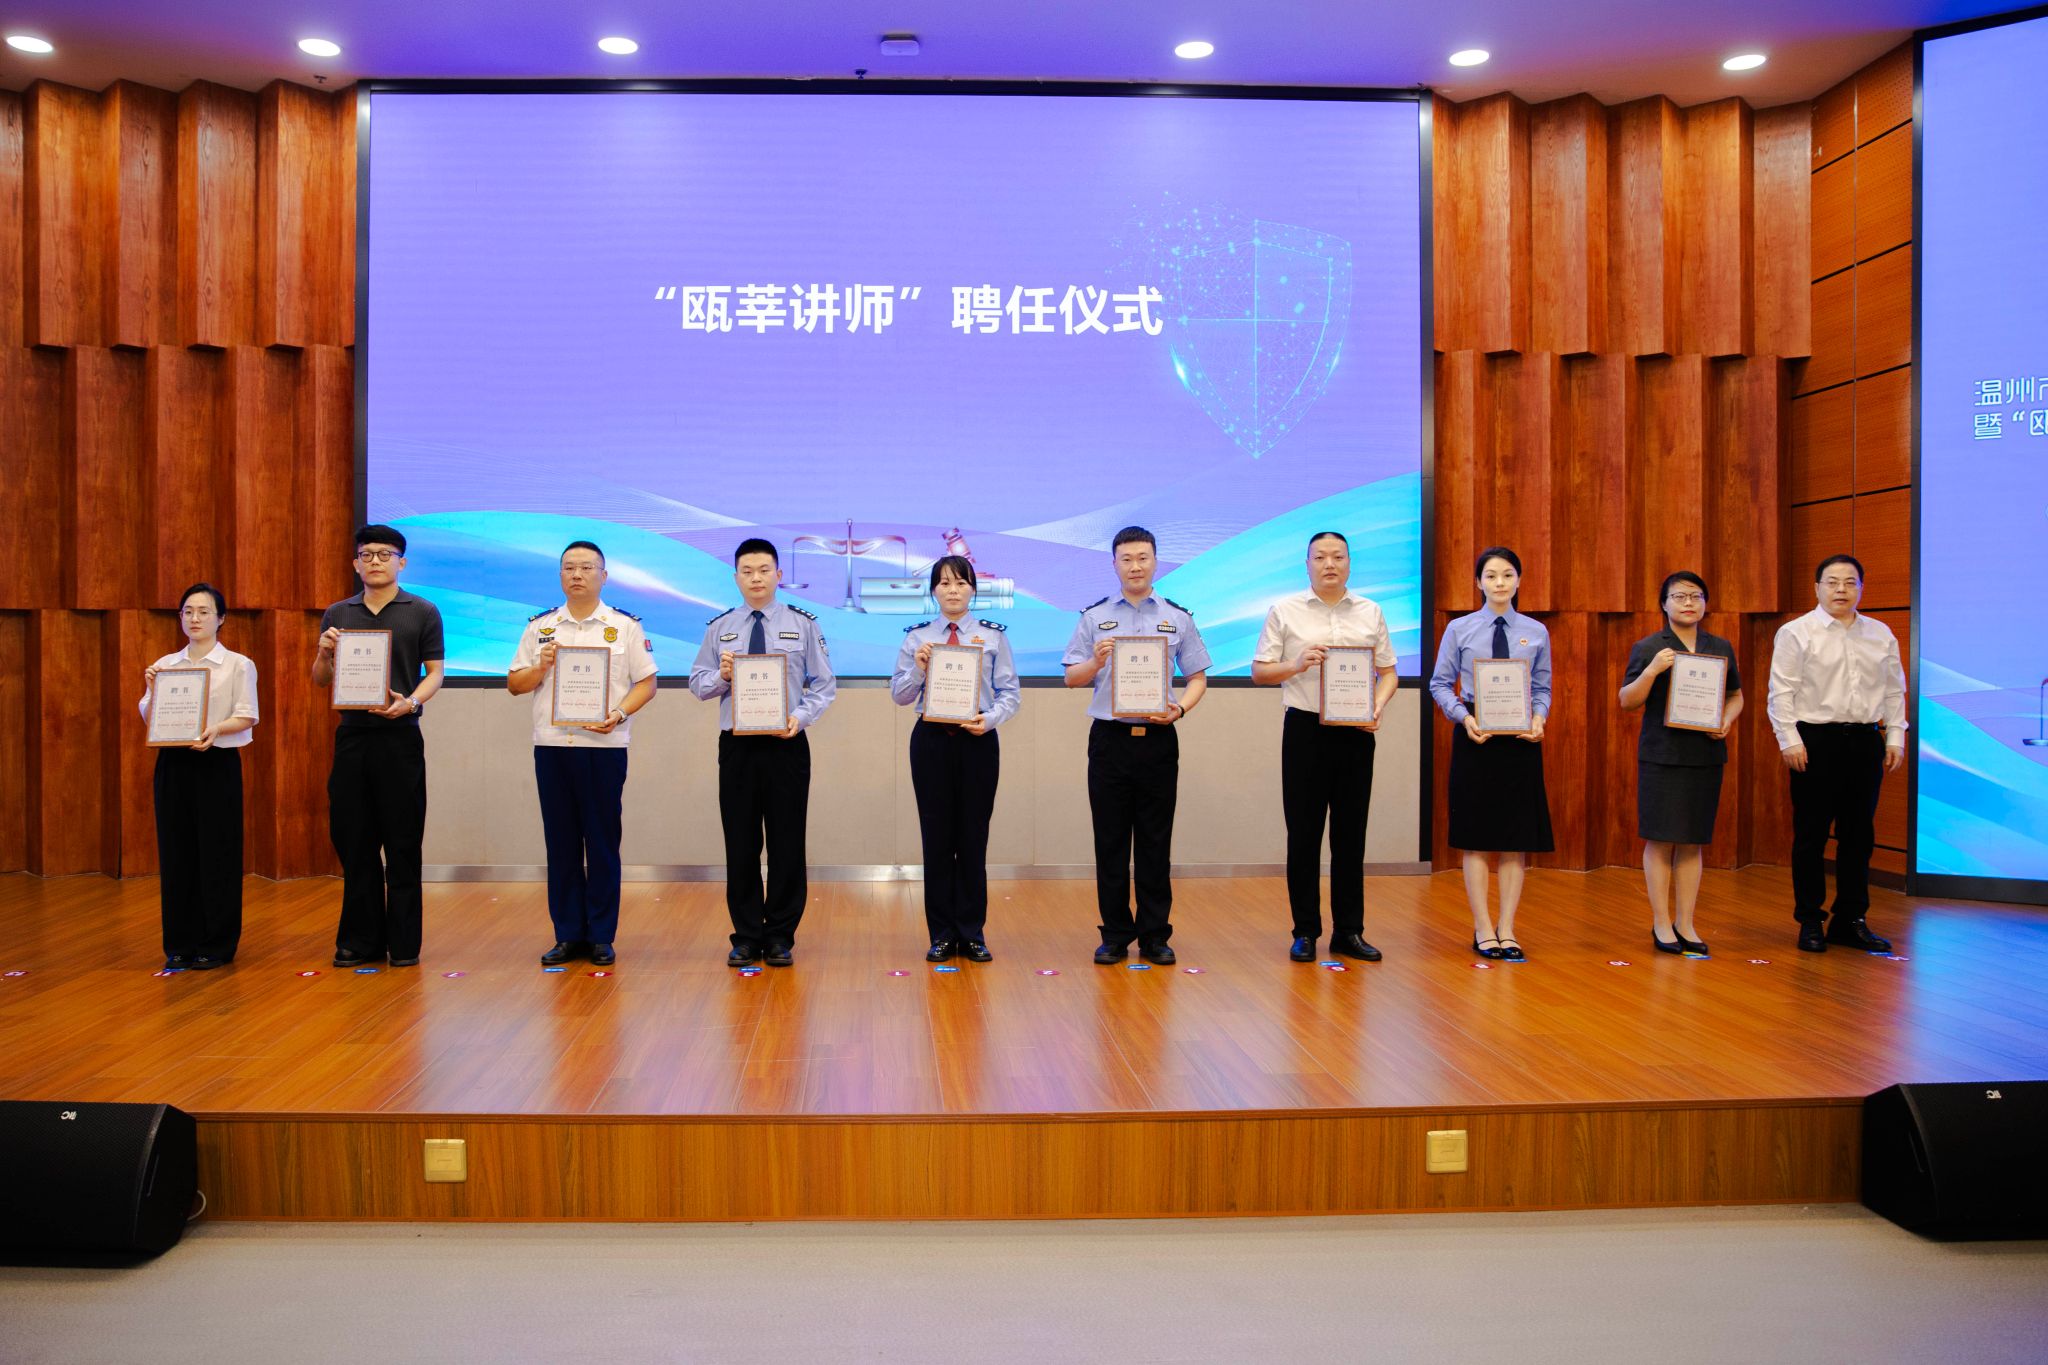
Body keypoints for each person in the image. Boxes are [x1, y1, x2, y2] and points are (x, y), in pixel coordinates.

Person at [1062, 526, 1210, 966]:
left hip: (1158, 739)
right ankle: (1114, 935)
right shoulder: (1094, 617)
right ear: (1114, 564)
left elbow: (1198, 677)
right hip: (1110, 741)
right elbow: (1071, 678)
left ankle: (1154, 935)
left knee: (1155, 841)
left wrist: (1179, 710)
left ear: (1155, 561)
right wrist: (1096, 660)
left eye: (1143, 557)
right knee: (1109, 841)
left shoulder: (1178, 617)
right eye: (1126, 559)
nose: (1135, 566)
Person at [507, 540, 659, 968]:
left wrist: (619, 713)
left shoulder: (624, 626)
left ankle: (601, 936)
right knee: (561, 844)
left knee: (603, 842)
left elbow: (647, 683)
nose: (577, 574)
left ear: (603, 576)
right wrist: (541, 667)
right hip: (552, 747)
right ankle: (568, 934)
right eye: (569, 567)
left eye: (587, 567)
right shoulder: (541, 628)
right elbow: (515, 684)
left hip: (603, 748)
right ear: (560, 575)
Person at [1250, 531, 1399, 963]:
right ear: (1307, 564)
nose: (1329, 564)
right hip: (1305, 731)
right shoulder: (1285, 610)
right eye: (1320, 557)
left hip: (1356, 732)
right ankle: (1305, 931)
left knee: (1351, 835)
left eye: (1338, 556)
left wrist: (1377, 705)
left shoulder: (1371, 611)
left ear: (1350, 562)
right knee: (1304, 835)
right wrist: (1296, 664)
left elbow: (1388, 672)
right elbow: (1260, 672)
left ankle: (1349, 931)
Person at [689, 538, 836, 968]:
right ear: (736, 577)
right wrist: (721, 675)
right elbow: (698, 684)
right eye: (747, 571)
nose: (756, 578)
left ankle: (780, 937)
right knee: (741, 842)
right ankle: (747, 935)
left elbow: (824, 684)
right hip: (737, 745)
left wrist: (800, 718)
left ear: (779, 575)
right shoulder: (720, 627)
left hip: (786, 743)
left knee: (787, 842)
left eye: (764, 570)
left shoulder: (803, 624)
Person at [311, 525, 445, 969]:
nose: (375, 561)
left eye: (384, 554)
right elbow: (320, 679)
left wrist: (410, 703)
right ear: (355, 564)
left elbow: (435, 673)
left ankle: (404, 943)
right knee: (354, 840)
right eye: (366, 554)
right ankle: (360, 940)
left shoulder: (422, 611)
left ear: (401, 562)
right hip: (352, 737)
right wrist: (324, 654)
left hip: (400, 737)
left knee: (403, 841)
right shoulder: (338, 613)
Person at [1766, 554, 1907, 954]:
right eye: (1832, 582)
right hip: (1815, 742)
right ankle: (1810, 919)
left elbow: (1894, 689)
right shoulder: (1797, 632)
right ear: (1817, 588)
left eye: (1849, 582)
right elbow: (1781, 691)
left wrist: (1895, 736)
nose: (1841, 589)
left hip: (1865, 740)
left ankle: (1850, 919)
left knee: (1859, 836)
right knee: (1811, 835)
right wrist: (1789, 740)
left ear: (1861, 587)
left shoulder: (1880, 633)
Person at [890, 556, 1021, 962]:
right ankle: (942, 934)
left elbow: (1010, 694)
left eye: (960, 582)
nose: (952, 590)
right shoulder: (917, 638)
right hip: (931, 741)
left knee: (973, 837)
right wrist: (918, 668)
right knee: (936, 838)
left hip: (978, 739)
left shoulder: (993, 636)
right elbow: (899, 695)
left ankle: (972, 932)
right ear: (933, 590)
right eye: (944, 583)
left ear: (972, 589)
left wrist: (990, 720)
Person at [1428, 546, 1553, 961]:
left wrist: (1539, 718)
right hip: (1475, 736)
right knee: (1477, 839)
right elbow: (1440, 683)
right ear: (1478, 582)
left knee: (1516, 840)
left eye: (1508, 575)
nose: (1500, 583)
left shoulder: (1536, 631)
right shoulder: (1460, 629)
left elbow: (1542, 687)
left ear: (1519, 580)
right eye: (1491, 576)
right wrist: (1463, 717)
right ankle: (1483, 928)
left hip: (1520, 742)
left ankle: (1508, 929)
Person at [1618, 571, 1745, 955]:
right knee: (1660, 839)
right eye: (1679, 596)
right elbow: (1627, 700)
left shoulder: (1719, 646)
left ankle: (1686, 922)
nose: (1688, 603)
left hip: (1704, 756)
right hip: (1662, 755)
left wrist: (1726, 720)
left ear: (1705, 603)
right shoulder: (1649, 647)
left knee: (1692, 841)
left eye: (1696, 596)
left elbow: (1736, 695)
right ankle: (1661, 922)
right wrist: (1653, 670)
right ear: (1664, 604)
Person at [139, 583, 258, 970]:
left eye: (204, 612)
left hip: (216, 762)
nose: (195, 619)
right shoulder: (166, 665)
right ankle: (179, 944)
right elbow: (150, 716)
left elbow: (247, 714)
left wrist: (216, 729)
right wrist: (153, 688)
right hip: (173, 764)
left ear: (221, 619)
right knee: (177, 853)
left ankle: (217, 944)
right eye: (188, 612)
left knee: (218, 853)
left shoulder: (237, 664)